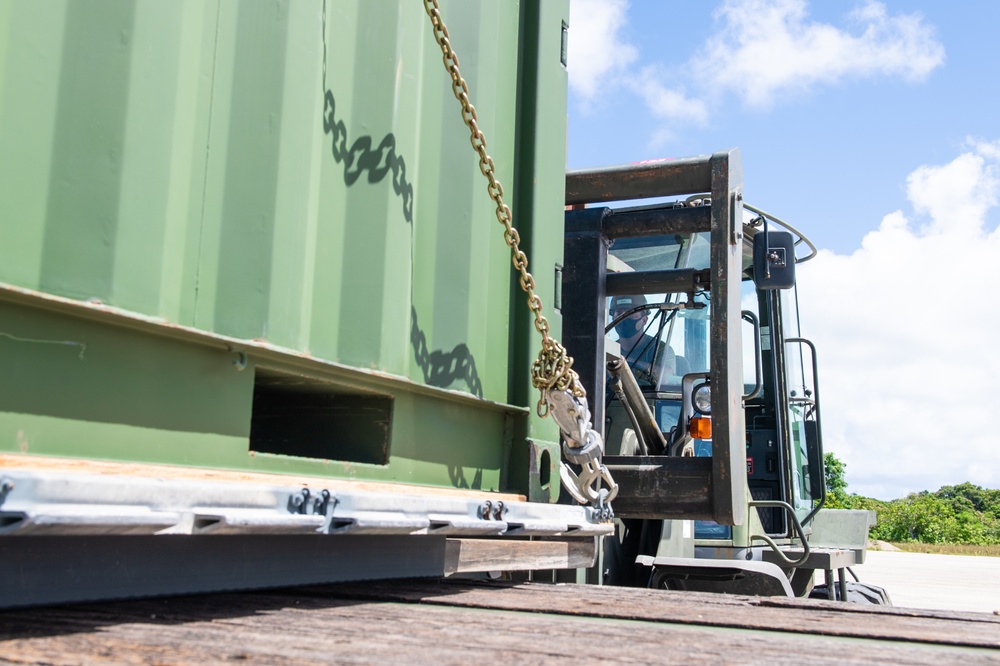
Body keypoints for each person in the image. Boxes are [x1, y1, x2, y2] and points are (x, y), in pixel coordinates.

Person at [609, 294, 676, 387]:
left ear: (644, 320)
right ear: (613, 319)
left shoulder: (660, 349)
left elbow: (664, 379)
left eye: (630, 313)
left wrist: (623, 361)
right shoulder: (608, 350)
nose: (623, 317)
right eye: (619, 313)